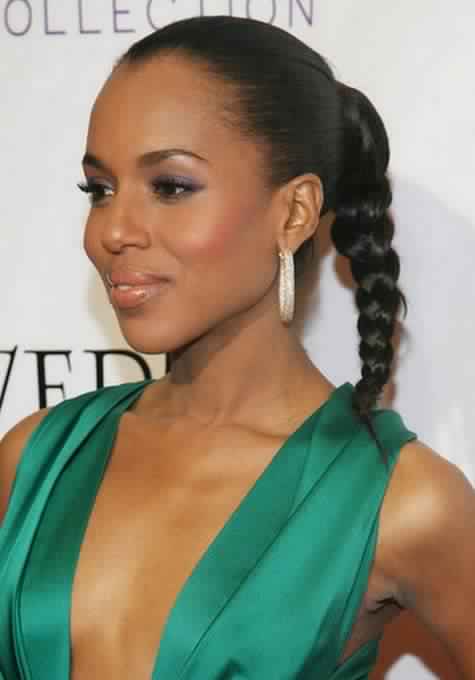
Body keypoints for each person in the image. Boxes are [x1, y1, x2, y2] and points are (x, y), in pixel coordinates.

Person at [1, 15, 474, 680]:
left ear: (294, 212)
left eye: (170, 187)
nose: (113, 230)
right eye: (100, 190)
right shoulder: (37, 458)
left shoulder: (400, 502)